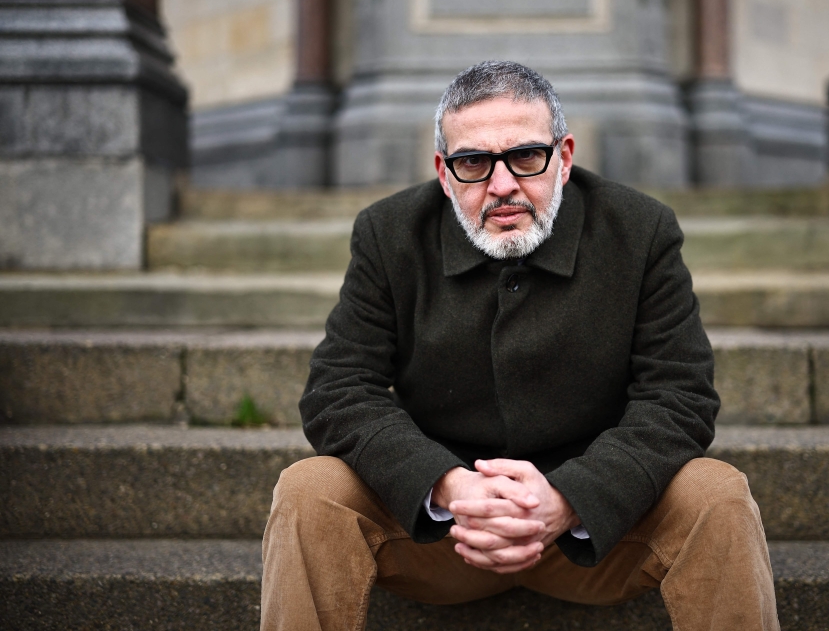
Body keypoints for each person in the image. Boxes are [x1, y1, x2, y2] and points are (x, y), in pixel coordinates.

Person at [261, 61, 779, 631]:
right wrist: (450, 488)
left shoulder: (640, 230)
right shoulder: (389, 234)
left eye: (526, 156)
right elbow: (337, 389)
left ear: (564, 156)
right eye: (473, 163)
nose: (501, 185)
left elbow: (680, 397)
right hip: (440, 535)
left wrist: (569, 500)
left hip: (598, 535)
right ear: (443, 170)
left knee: (717, 493)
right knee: (309, 491)